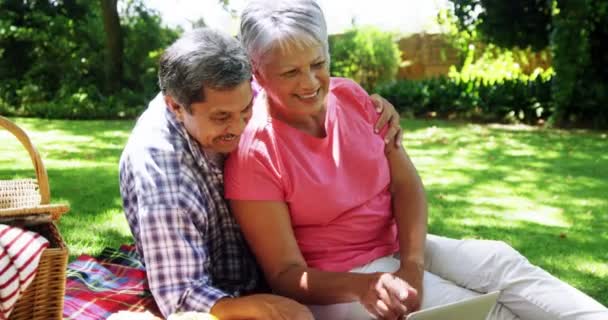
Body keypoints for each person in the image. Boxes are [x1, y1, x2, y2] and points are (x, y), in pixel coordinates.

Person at [224, 1, 608, 319]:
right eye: (290, 72)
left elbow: (406, 186)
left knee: (500, 261)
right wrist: (367, 286)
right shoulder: (256, 151)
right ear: (257, 72)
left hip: (394, 246)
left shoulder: (353, 98)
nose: (309, 82)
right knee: (476, 310)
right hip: (340, 281)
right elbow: (286, 275)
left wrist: (412, 264)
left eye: (318, 64)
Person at [118, 27, 402, 319]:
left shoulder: (235, 89)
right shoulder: (161, 172)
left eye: (246, 110)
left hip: (284, 269)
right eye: (222, 118)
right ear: (176, 106)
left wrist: (369, 106)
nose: (241, 129)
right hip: (222, 291)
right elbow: (181, 296)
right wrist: (258, 305)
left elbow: (313, 96)